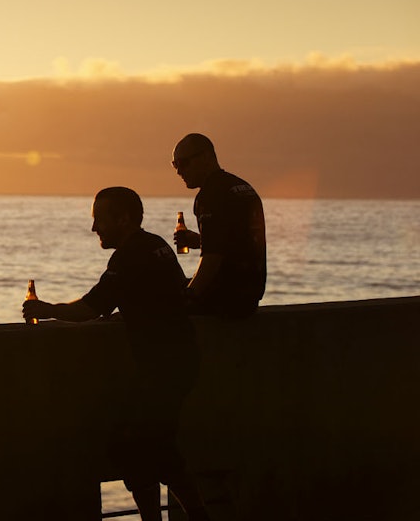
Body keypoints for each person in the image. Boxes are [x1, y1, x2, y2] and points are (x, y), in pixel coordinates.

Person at [22, 187, 209, 521]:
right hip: (181, 360)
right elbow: (171, 293)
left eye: (100, 220)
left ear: (123, 219)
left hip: (162, 368)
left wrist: (45, 308)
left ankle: (192, 514)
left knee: (139, 445)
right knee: (149, 445)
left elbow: (90, 308)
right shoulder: (158, 245)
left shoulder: (127, 257)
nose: (95, 228)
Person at [171, 133, 266, 319]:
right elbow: (238, 242)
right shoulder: (243, 187)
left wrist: (189, 297)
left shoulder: (210, 195)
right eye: (175, 165)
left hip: (224, 299)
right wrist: (199, 241)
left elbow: (212, 259)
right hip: (250, 294)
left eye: (184, 163)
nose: (179, 171)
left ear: (206, 157)